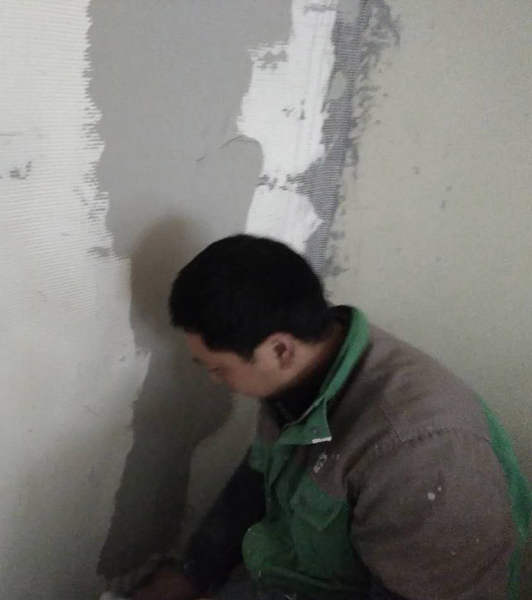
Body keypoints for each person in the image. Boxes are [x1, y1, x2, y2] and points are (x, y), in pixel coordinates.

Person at [131, 234, 531, 600]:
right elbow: (257, 477)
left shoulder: (419, 453)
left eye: (219, 369)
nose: (216, 381)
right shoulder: (301, 372)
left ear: (280, 350)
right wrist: (193, 573)